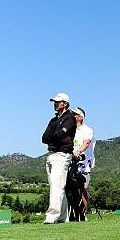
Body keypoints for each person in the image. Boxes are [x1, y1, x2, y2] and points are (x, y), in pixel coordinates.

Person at [41, 92, 77, 224]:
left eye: (57, 102)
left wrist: (57, 137)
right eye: (54, 102)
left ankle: (52, 215)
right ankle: (62, 216)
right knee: (57, 186)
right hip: (51, 155)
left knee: (57, 186)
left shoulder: (70, 118)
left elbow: (57, 135)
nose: (55, 104)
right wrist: (57, 137)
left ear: (65, 103)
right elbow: (44, 138)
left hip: (62, 155)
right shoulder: (53, 120)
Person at [71, 107, 95, 215]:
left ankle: (84, 212)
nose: (72, 116)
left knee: (83, 188)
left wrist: (78, 151)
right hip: (71, 162)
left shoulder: (87, 130)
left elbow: (86, 143)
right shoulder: (70, 130)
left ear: (81, 117)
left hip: (84, 164)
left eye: (74, 114)